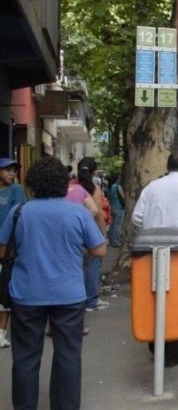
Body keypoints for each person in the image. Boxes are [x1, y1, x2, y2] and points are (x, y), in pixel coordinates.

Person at [0, 156, 106, 410]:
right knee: (68, 355)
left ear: (33, 183)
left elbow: (3, 251)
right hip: (69, 294)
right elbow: (100, 250)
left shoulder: (20, 212)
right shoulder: (78, 212)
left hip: (26, 295)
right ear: (63, 183)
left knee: (25, 356)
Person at [132, 151, 178, 367]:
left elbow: (137, 215)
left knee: (153, 294)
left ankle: (155, 345)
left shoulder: (152, 186)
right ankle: (173, 350)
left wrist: (152, 229)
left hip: (150, 249)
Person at [70, 157, 110, 313]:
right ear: (93, 172)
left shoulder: (69, 186)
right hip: (90, 232)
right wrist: (103, 236)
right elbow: (98, 214)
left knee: (76, 266)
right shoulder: (93, 189)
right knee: (94, 264)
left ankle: (77, 300)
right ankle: (91, 301)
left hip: (71, 233)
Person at [0, 157, 26, 348]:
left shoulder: (16, 190)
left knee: (4, 291)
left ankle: (1, 332)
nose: (12, 173)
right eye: (7, 170)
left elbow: (19, 215)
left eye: (14, 170)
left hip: (7, 248)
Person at [106, 175, 125, 247]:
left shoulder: (109, 187)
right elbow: (123, 196)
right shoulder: (118, 186)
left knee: (112, 225)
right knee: (117, 226)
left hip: (112, 208)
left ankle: (111, 240)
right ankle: (115, 242)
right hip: (119, 208)